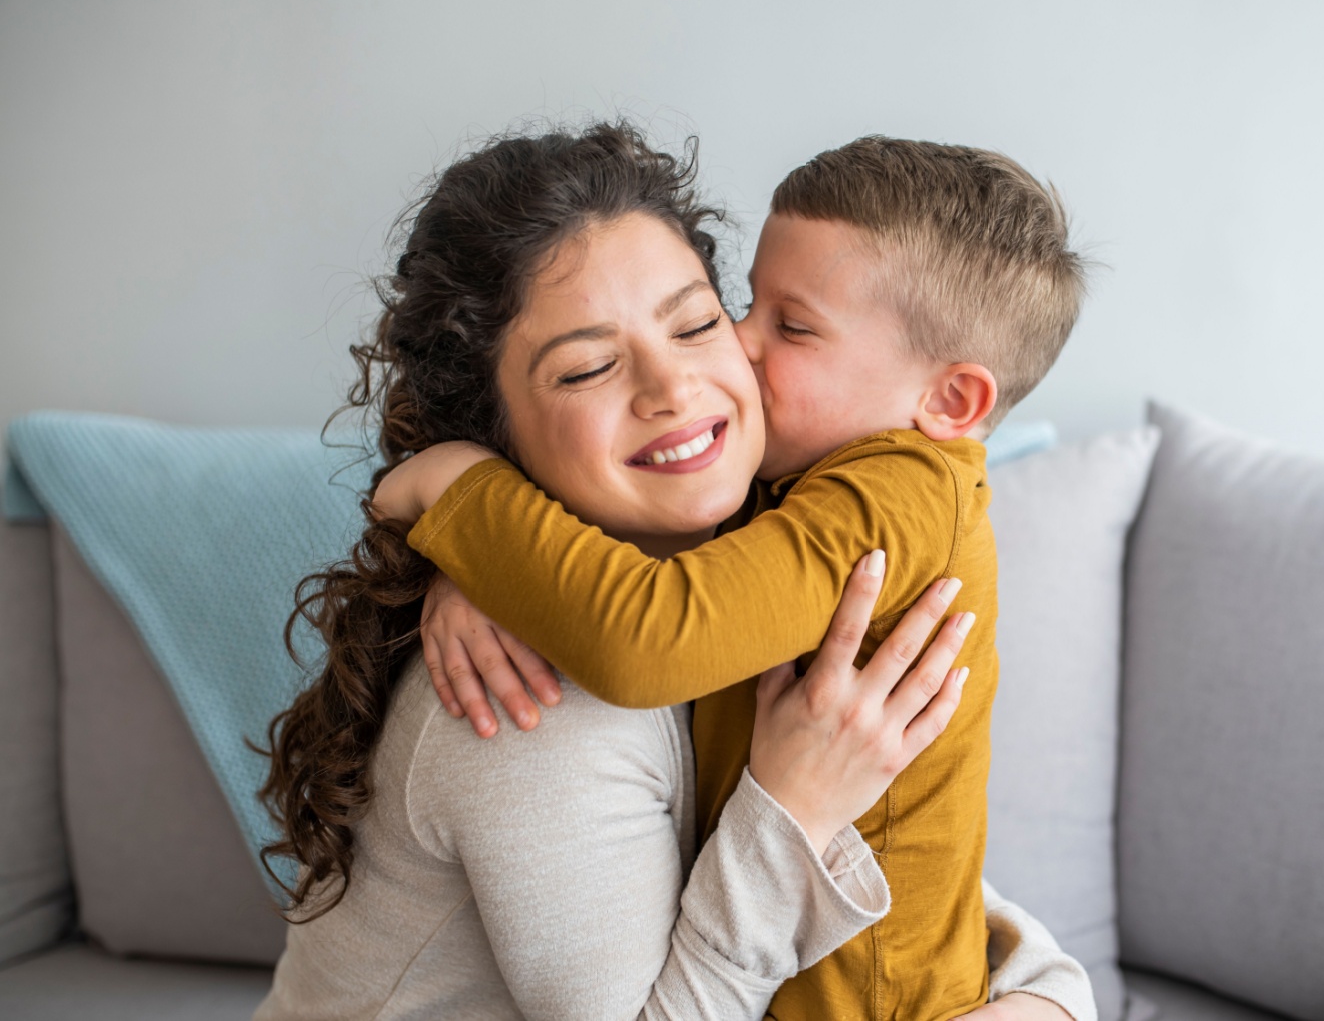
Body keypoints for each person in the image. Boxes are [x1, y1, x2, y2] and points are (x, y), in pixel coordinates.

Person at [257, 122, 1091, 1020]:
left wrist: (1044, 995)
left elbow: (907, 854)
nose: (682, 384)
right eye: (586, 369)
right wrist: (791, 812)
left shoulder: (809, 515)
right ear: (493, 428)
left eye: (698, 321)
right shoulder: (526, 706)